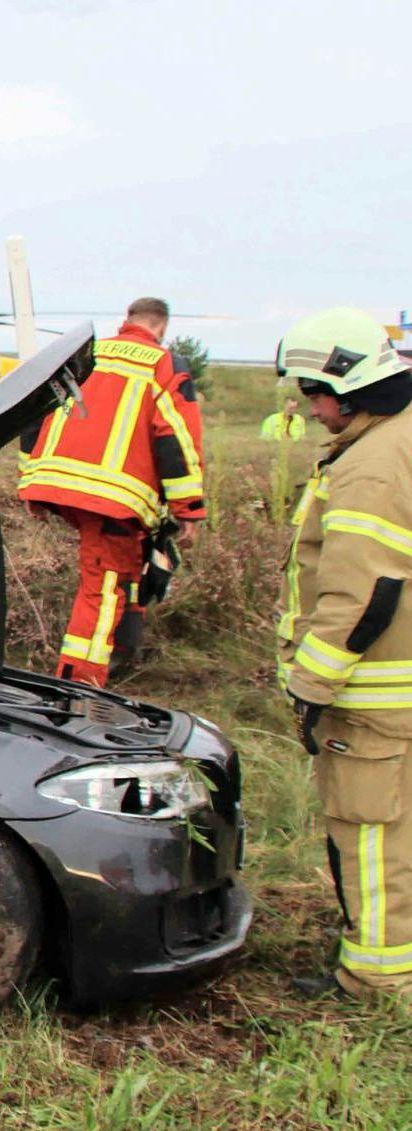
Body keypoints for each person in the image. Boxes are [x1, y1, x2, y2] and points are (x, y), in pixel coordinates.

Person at [273, 307, 412, 1001]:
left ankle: (376, 980)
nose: (312, 409)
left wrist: (311, 684)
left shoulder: (371, 467)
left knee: (367, 833)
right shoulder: (399, 438)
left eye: (313, 392)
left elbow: (362, 592)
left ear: (350, 385)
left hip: (376, 693)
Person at [18, 297, 207, 686]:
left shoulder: (88, 354)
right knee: (102, 588)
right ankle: (80, 682)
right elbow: (176, 438)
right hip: (115, 498)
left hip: (61, 484)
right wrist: (189, 510)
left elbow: (35, 409)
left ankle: (123, 651)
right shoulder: (163, 364)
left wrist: (31, 483)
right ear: (162, 328)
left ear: (127, 321)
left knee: (126, 569)